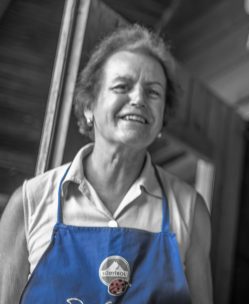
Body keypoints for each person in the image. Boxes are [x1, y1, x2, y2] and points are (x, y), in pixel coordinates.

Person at [0, 24, 212, 303]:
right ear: (89, 106)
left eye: (153, 93)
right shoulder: (29, 203)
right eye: (122, 86)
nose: (138, 99)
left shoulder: (188, 210)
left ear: (162, 120)